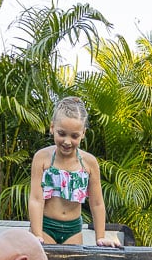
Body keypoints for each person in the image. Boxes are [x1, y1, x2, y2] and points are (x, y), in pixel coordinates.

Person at [28, 96, 122, 247]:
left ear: (83, 133)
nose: (67, 141)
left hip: (73, 230)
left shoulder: (89, 163)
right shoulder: (42, 158)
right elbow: (36, 200)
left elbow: (97, 203)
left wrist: (101, 237)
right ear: (52, 128)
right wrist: (37, 234)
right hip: (45, 227)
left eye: (74, 136)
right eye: (61, 133)